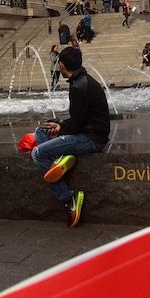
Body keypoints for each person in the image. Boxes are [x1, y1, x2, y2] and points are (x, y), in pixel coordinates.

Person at [31, 47, 110, 227]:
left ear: (61, 65)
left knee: (38, 154)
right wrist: (61, 126)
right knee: (40, 132)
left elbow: (76, 126)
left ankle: (69, 198)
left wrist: (62, 128)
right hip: (87, 131)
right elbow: (78, 120)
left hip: (91, 139)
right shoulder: (82, 81)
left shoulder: (79, 87)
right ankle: (59, 160)